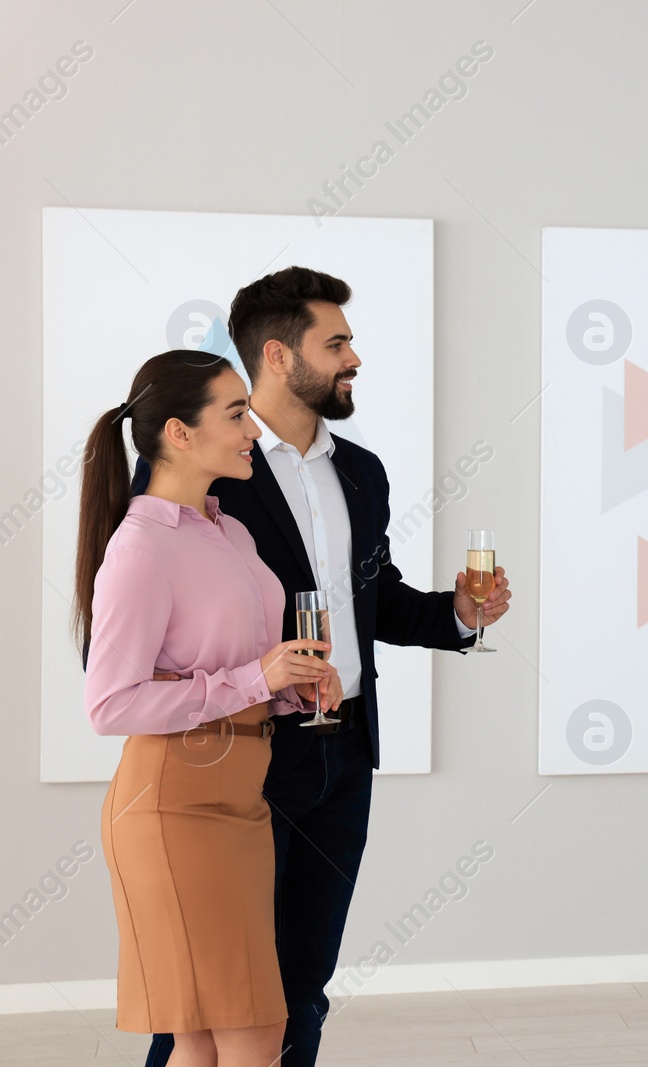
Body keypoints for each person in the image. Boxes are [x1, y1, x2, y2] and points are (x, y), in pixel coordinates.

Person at [133, 266, 512, 1067]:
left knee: (302, 981)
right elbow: (148, 620)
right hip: (245, 752)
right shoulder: (210, 473)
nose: (355, 358)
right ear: (278, 355)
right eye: (336, 342)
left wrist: (458, 614)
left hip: (345, 753)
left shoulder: (361, 471)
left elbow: (373, 599)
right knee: (211, 999)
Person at [76, 351, 344, 1067]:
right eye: (235, 413)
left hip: (240, 803)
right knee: (254, 1028)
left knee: (203, 1033)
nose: (253, 427)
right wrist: (256, 678)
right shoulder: (140, 548)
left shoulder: (232, 532)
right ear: (180, 433)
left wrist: (293, 685)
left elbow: (242, 672)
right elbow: (109, 703)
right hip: (174, 807)